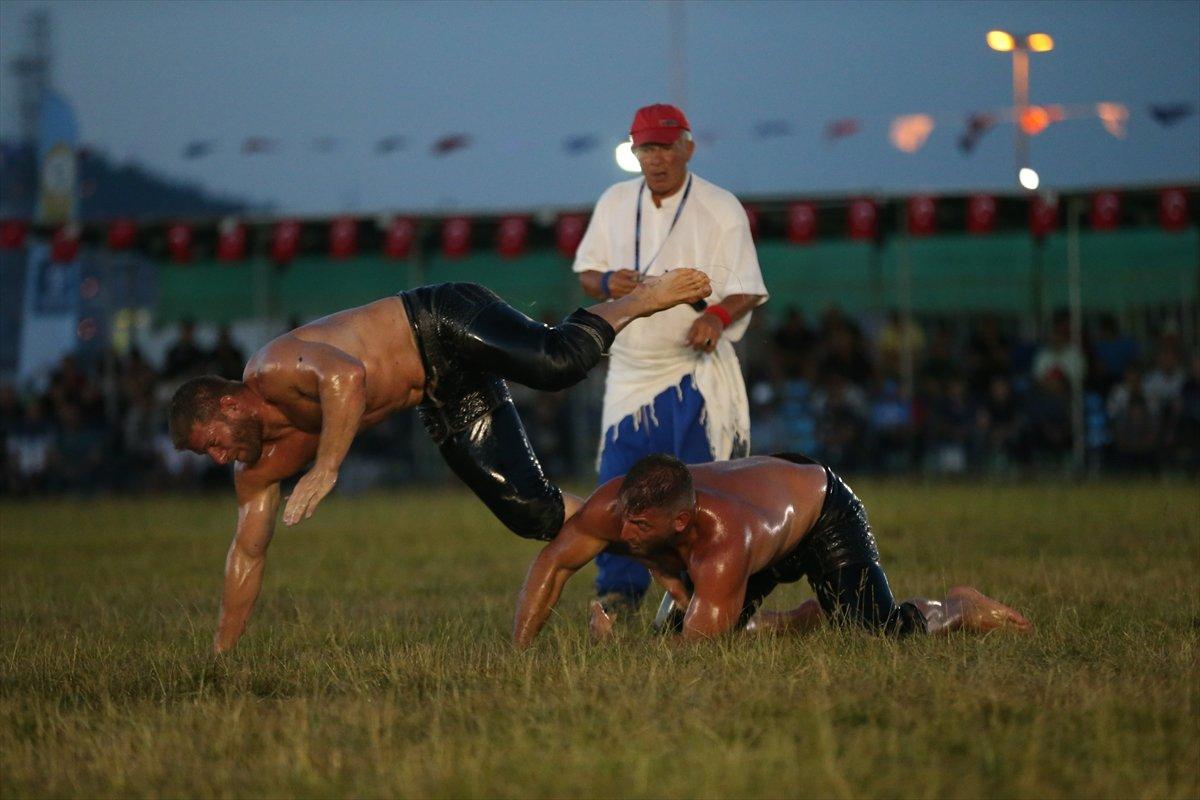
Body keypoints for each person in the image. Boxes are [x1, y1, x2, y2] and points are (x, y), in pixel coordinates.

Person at [168, 272, 711, 654]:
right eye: (207, 455)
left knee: (557, 362)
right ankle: (660, 557)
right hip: (441, 392)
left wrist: (325, 468)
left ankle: (643, 298)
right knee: (533, 513)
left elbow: (346, 379)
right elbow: (247, 553)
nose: (218, 457)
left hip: (440, 318)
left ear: (229, 403)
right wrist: (222, 654)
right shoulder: (257, 469)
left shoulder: (270, 368)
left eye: (210, 442)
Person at [512, 453, 1032, 647]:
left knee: (874, 633)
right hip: (767, 494)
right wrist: (521, 653)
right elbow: (552, 564)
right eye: (623, 519)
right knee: (681, 620)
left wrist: (614, 650)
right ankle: (802, 619)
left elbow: (695, 653)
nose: (622, 533)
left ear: (681, 520)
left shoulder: (723, 545)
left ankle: (959, 607)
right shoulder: (620, 506)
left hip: (819, 509)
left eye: (639, 526)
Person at [573, 103, 768, 614]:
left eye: (664, 146)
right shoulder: (615, 201)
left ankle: (704, 591)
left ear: (688, 147)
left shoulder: (720, 206)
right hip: (631, 367)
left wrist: (716, 319)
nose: (655, 158)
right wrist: (609, 281)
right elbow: (587, 273)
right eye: (646, 148)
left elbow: (747, 287)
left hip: (693, 368)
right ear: (633, 151)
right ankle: (618, 591)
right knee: (618, 485)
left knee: (697, 486)